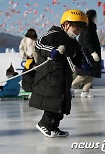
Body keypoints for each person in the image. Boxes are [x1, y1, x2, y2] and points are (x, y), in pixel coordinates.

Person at [29, 9, 89, 137]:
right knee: (52, 103)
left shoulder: (74, 43)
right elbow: (39, 44)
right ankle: (44, 124)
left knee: (61, 104)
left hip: (63, 77)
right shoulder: (54, 34)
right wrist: (51, 51)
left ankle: (53, 127)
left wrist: (84, 64)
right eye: (76, 27)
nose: (77, 32)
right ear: (66, 25)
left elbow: (79, 56)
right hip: (50, 76)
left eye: (80, 29)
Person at [72, 9, 101, 98]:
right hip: (87, 54)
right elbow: (86, 41)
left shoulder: (92, 26)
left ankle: (85, 91)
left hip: (92, 53)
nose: (96, 18)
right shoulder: (86, 27)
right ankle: (70, 86)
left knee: (92, 74)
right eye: (95, 16)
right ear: (92, 16)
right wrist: (93, 52)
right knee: (84, 74)